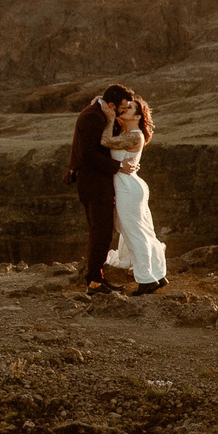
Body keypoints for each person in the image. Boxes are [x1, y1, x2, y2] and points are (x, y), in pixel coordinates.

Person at [99, 91, 169, 295]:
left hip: (127, 187)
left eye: (129, 108)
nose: (124, 109)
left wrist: (110, 118)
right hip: (129, 184)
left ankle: (147, 279)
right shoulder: (128, 133)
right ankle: (157, 274)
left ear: (138, 116)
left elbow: (104, 141)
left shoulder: (133, 135)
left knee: (134, 232)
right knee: (143, 231)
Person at [65, 85, 127, 291]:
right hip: (94, 183)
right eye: (122, 108)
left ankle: (97, 277)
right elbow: (89, 155)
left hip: (97, 182)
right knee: (101, 232)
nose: (123, 113)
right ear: (111, 105)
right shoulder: (91, 117)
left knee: (101, 231)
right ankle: (94, 281)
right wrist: (119, 167)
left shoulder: (98, 113)